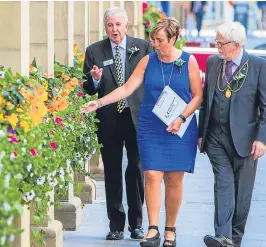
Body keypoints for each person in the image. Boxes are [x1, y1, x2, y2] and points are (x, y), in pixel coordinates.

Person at [81, 17, 202, 247]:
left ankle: (170, 230)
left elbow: (197, 96)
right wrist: (98, 103)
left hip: (179, 126)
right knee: (152, 175)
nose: (155, 44)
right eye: (153, 40)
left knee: (174, 179)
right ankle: (153, 229)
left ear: (173, 39)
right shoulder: (147, 61)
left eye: (159, 40)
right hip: (151, 125)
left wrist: (181, 117)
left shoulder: (189, 61)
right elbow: (126, 88)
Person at [198, 22, 266, 247]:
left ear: (236, 45)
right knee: (223, 185)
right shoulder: (213, 63)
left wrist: (261, 138)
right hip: (215, 137)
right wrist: (202, 133)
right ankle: (223, 235)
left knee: (242, 193)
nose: (217, 46)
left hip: (246, 140)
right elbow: (206, 102)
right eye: (216, 41)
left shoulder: (259, 66)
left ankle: (234, 238)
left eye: (221, 42)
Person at [82, 7, 153, 241]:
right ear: (105, 28)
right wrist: (95, 79)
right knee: (112, 171)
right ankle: (116, 225)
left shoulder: (143, 48)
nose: (115, 29)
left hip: (136, 118)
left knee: (136, 170)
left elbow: (151, 83)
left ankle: (136, 224)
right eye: (110, 25)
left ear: (127, 25)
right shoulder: (94, 51)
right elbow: (88, 89)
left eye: (118, 25)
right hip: (109, 119)